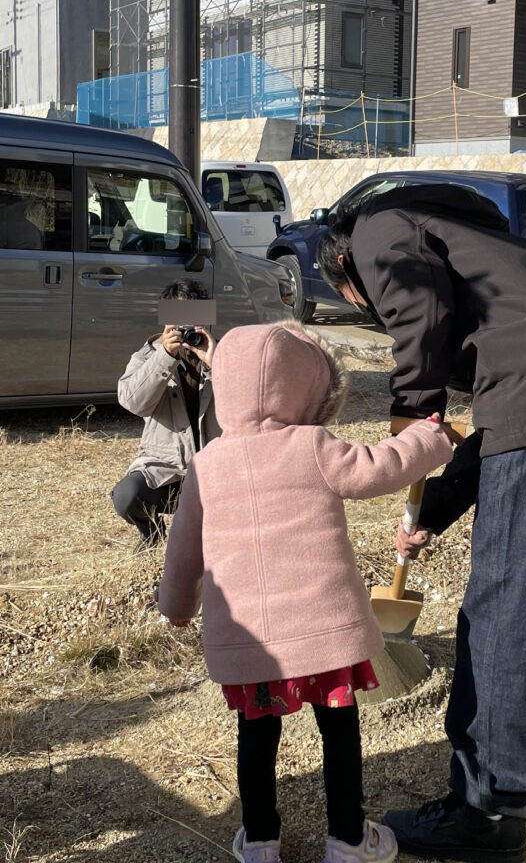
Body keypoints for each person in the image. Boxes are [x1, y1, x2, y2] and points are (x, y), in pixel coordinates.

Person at [316, 185, 526, 863]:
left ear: (346, 266)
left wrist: (412, 421)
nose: (373, 313)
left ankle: (486, 810)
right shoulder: (491, 250)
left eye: (361, 302)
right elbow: (506, 419)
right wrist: (433, 509)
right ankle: (524, 778)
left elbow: (420, 316)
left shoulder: (378, 227)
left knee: (508, 613)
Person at [155, 322, 456, 863]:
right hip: (324, 634)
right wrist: (428, 438)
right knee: (339, 731)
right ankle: (347, 839)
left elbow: (184, 551)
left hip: (251, 641)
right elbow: (379, 468)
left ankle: (261, 841)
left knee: (257, 736)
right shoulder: (313, 445)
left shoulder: (206, 464)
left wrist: (177, 606)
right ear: (305, 388)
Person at [110, 278, 218, 549]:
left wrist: (217, 363)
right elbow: (132, 402)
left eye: (193, 318)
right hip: (165, 468)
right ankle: (151, 532)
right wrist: (165, 356)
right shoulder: (148, 355)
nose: (185, 327)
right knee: (126, 496)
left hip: (214, 469)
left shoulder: (220, 351)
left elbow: (250, 403)